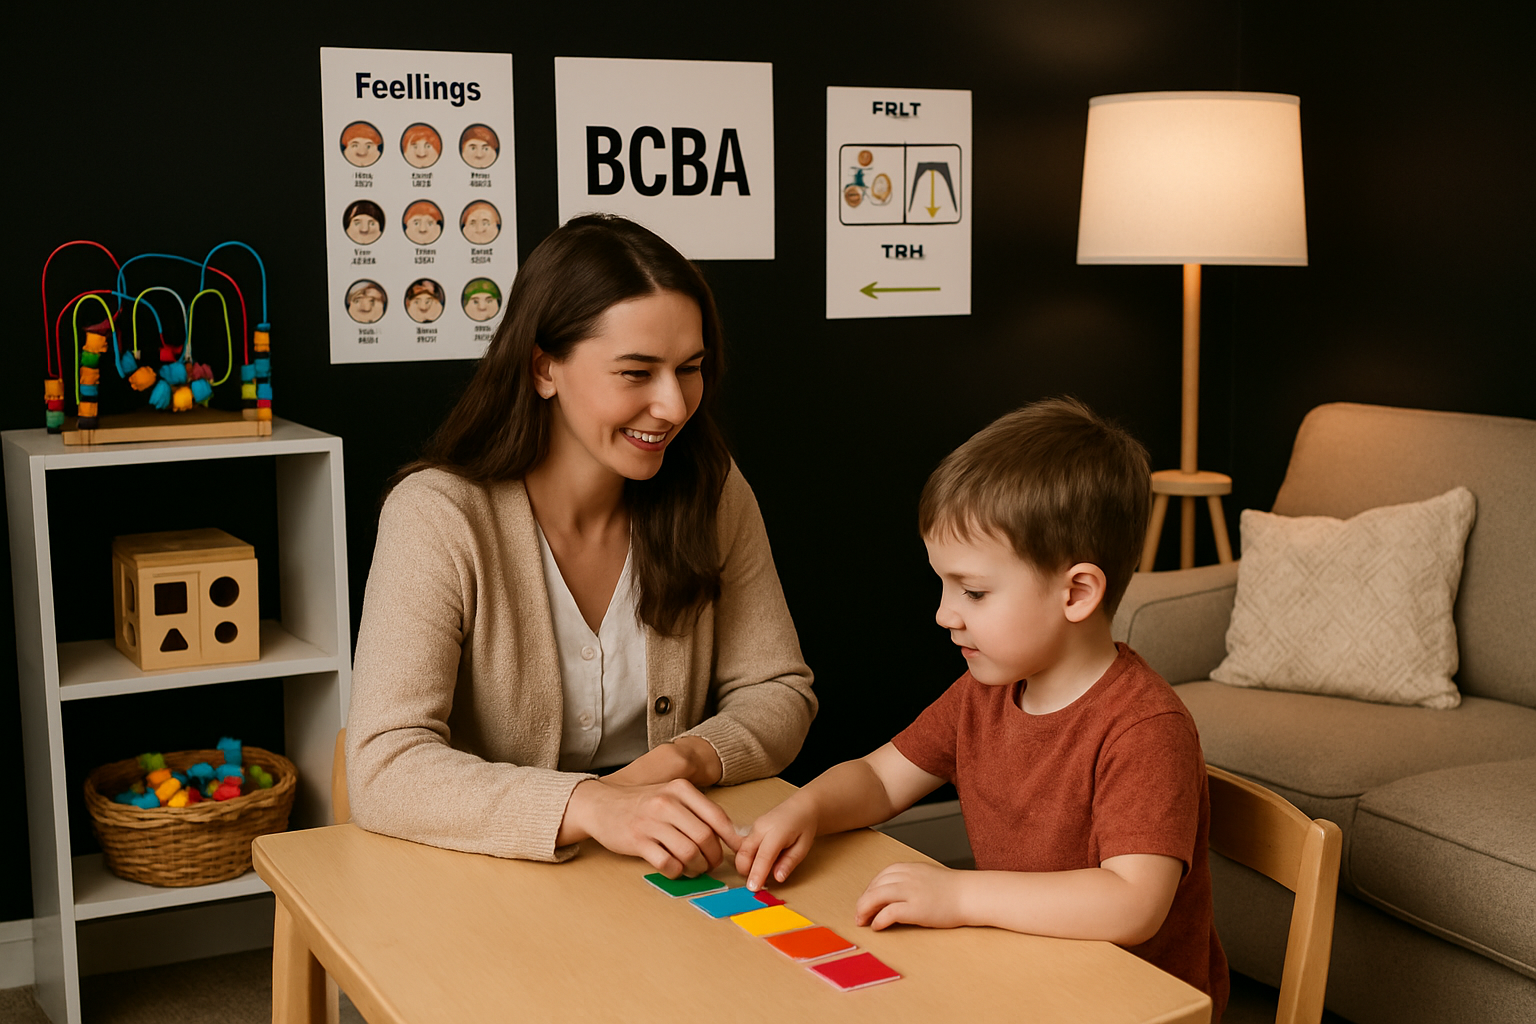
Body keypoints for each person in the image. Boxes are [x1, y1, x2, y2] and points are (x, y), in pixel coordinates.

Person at [348, 214, 817, 879]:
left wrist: (683, 759)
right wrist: (592, 805)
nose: (674, 405)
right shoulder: (436, 516)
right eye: (636, 372)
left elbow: (779, 690)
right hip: (493, 865)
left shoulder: (713, 491)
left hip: (667, 854)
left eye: (690, 369)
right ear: (544, 367)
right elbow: (385, 766)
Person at [735, 397, 1228, 1020]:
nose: (944, 614)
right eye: (943, 584)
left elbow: (1133, 904)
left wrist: (961, 893)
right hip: (1022, 971)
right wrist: (805, 808)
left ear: (1077, 592)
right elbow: (882, 778)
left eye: (973, 591)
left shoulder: (1145, 729)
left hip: (1130, 1004)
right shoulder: (987, 691)